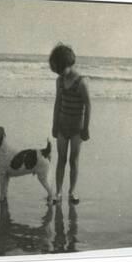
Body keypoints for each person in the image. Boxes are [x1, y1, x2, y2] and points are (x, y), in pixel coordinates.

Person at [49, 43, 91, 204]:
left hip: (76, 129)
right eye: (57, 71)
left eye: (61, 70)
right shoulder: (59, 81)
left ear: (69, 64)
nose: (60, 74)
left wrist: (86, 128)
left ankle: (72, 191)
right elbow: (57, 103)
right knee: (61, 159)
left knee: (73, 160)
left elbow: (88, 105)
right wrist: (54, 125)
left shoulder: (81, 82)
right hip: (62, 126)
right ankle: (58, 192)